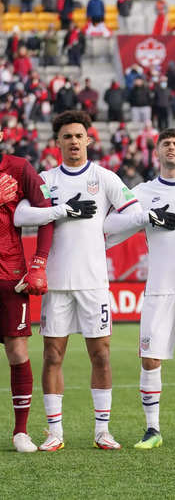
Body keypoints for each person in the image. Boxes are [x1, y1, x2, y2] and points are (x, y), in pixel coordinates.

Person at [31, 110, 142, 451]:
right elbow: (26, 216)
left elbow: (135, 214)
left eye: (79, 136)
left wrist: (102, 235)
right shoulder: (46, 179)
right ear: (58, 143)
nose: (74, 141)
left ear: (89, 140)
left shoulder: (105, 177)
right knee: (52, 355)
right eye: (67, 136)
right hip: (57, 282)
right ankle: (55, 433)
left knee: (102, 356)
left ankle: (102, 431)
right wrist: (60, 211)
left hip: (94, 283)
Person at [103, 128, 175, 449]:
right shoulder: (142, 191)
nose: (171, 148)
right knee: (150, 359)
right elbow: (110, 225)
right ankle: (152, 429)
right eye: (165, 144)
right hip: (158, 289)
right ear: (156, 153)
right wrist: (147, 217)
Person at [0, 132, 54, 452]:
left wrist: (39, 263)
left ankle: (21, 432)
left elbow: (47, 212)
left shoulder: (20, 168)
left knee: (18, 353)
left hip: (10, 276)